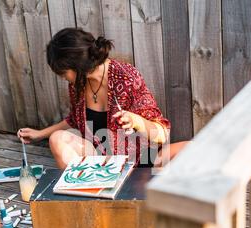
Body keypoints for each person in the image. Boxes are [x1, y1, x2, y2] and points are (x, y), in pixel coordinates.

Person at [18, 28, 189, 170]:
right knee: (57, 139)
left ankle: (132, 188)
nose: (63, 78)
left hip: (143, 161)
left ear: (77, 66)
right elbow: (75, 120)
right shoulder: (78, 84)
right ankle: (90, 195)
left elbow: (161, 133)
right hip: (103, 165)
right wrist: (40, 134)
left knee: (194, 149)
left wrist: (136, 120)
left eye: (63, 73)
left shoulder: (127, 78)